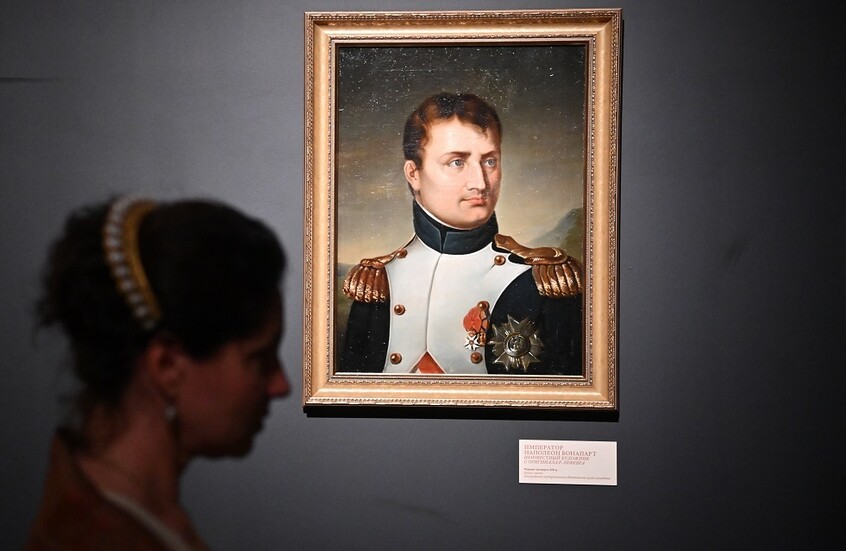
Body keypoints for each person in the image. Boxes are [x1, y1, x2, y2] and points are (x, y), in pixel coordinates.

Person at [26, 196, 289, 550]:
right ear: (167, 365)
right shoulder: (97, 539)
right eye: (260, 359)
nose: (281, 385)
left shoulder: (138, 513)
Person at [341, 92, 583, 376]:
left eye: (490, 161)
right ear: (413, 174)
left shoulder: (539, 283)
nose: (480, 183)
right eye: (457, 162)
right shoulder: (378, 283)